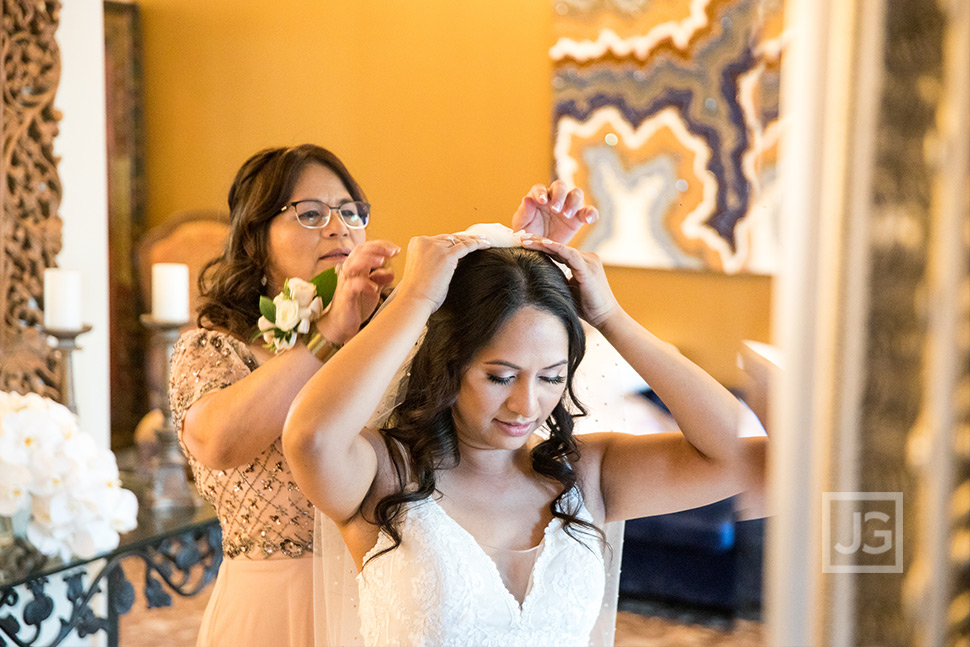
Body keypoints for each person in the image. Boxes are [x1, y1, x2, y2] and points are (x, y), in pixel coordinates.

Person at [168, 143, 598, 647]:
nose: (338, 226)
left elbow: (491, 344)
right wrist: (328, 332)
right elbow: (220, 443)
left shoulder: (400, 331)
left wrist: (530, 252)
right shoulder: (213, 347)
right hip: (272, 606)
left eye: (351, 211)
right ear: (255, 239)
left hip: (395, 595)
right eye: (310, 214)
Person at [282, 233, 767, 647]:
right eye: (500, 377)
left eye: (551, 377)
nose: (527, 405)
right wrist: (415, 299)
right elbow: (309, 439)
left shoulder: (589, 474)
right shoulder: (382, 474)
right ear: (449, 364)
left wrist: (611, 316)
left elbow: (732, 446)